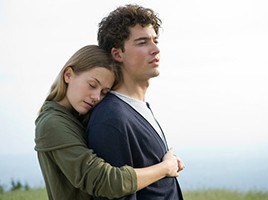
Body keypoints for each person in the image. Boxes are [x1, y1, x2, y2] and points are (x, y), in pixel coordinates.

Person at [34, 45, 181, 200]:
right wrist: (165, 168)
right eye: (92, 85)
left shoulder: (77, 116)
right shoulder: (51, 123)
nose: (96, 96)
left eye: (104, 92)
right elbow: (103, 180)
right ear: (68, 75)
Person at [87, 4, 184, 200]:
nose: (155, 49)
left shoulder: (137, 108)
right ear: (117, 54)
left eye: (155, 41)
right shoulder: (111, 119)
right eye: (142, 42)